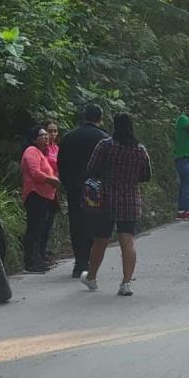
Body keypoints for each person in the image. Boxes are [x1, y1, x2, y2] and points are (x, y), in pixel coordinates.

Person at [80, 113, 152, 296]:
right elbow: (146, 175)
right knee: (127, 241)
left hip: (106, 198)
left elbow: (91, 168)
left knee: (100, 240)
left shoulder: (106, 145)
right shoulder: (140, 149)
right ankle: (126, 283)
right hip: (130, 199)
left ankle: (92, 277)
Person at [58, 104, 110, 278]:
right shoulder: (104, 138)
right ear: (99, 118)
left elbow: (61, 164)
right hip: (97, 189)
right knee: (94, 224)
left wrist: (67, 184)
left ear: (84, 116)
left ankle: (80, 263)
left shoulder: (69, 137)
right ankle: (90, 261)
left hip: (74, 187)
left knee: (76, 223)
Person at [21, 126, 60, 273]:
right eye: (42, 135)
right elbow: (35, 173)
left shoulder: (40, 152)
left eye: (46, 135)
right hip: (35, 194)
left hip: (43, 196)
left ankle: (37, 259)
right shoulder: (31, 151)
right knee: (34, 229)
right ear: (34, 139)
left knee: (39, 229)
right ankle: (31, 262)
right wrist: (51, 180)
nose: (46, 137)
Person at [40, 120, 60, 262]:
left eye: (55, 131)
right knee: (41, 221)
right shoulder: (40, 150)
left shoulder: (56, 149)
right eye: (49, 131)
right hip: (42, 188)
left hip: (53, 188)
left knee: (49, 221)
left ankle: (44, 250)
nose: (52, 134)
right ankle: (38, 252)